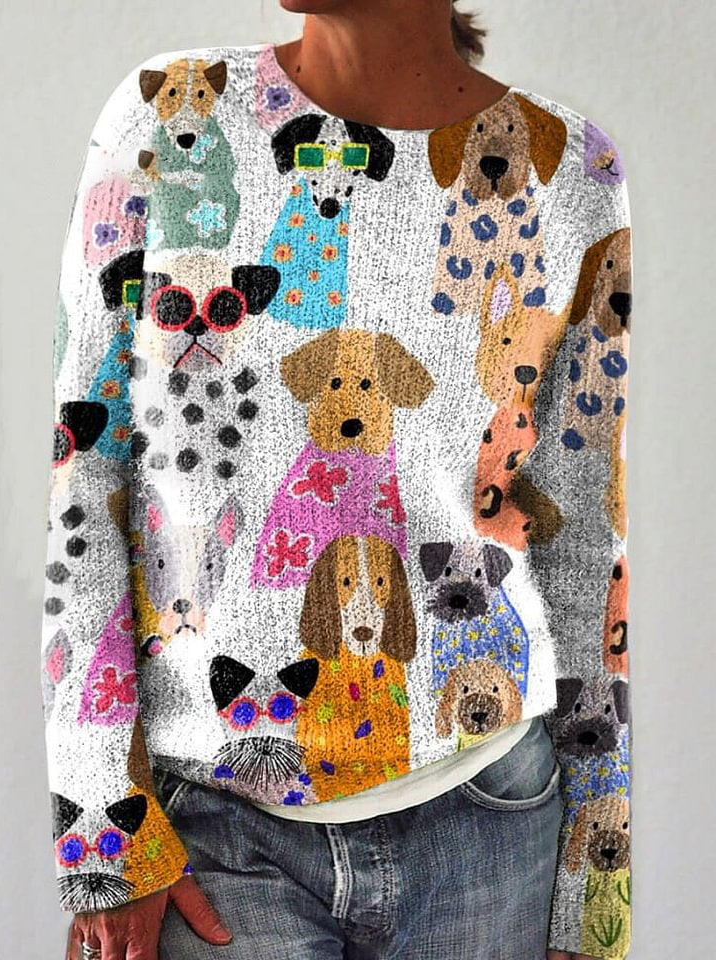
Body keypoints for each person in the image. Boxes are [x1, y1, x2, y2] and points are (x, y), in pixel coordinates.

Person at [40, 2, 633, 959]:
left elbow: (584, 543)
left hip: (491, 818)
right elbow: (85, 477)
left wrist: (595, 889)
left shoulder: (571, 173)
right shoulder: (161, 116)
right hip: (219, 831)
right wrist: (104, 837)